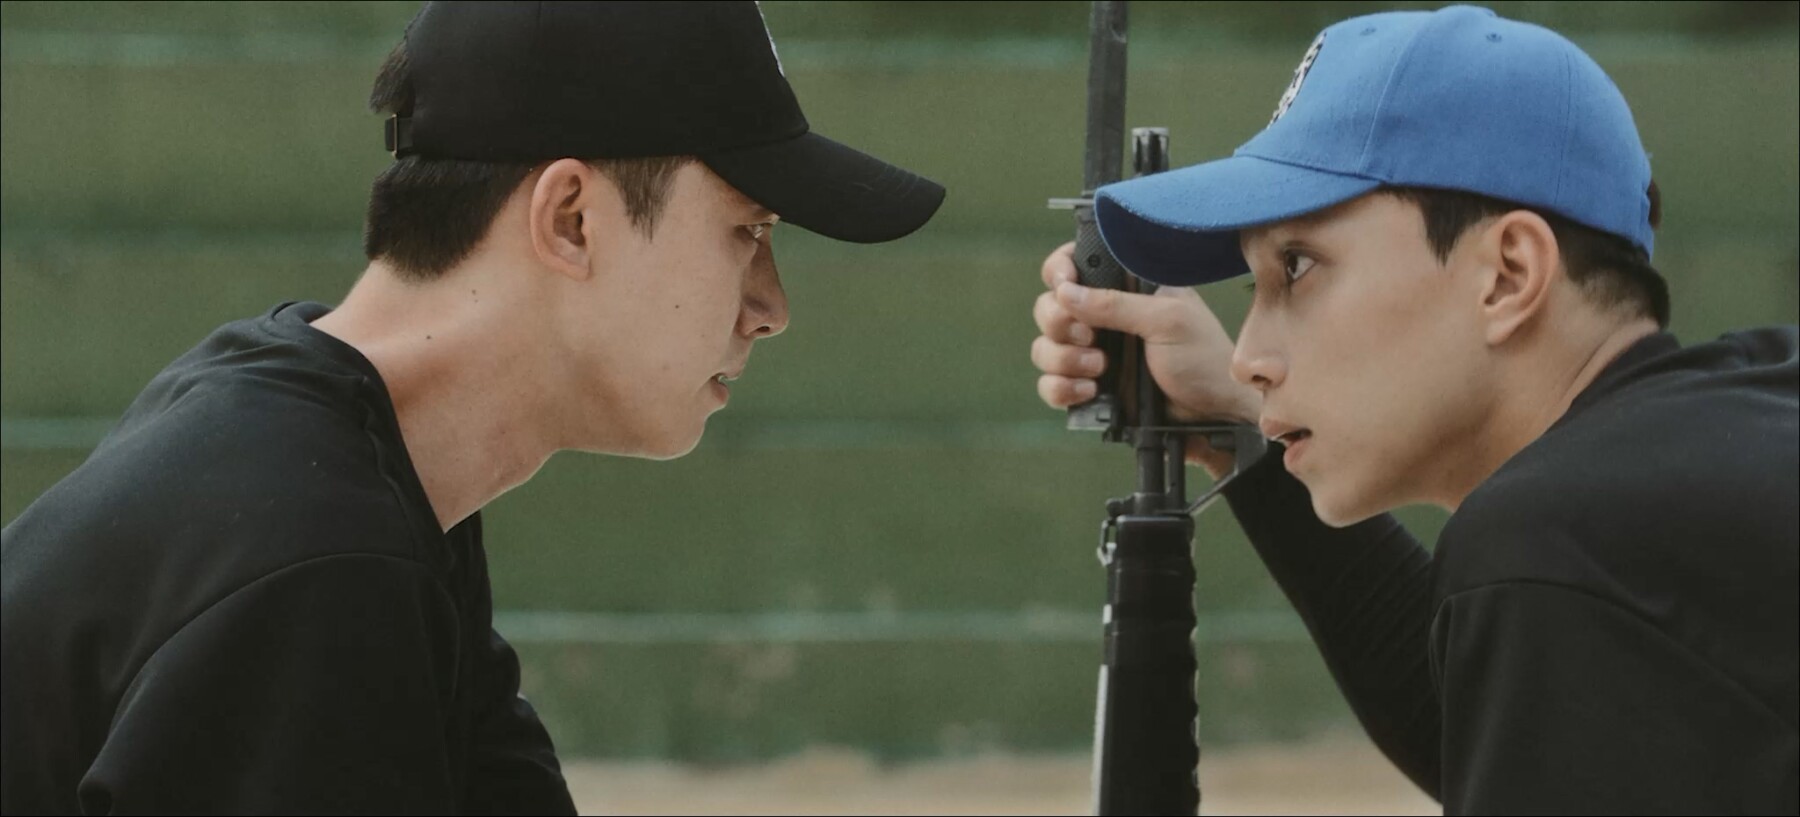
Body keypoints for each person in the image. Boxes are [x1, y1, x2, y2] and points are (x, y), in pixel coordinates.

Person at [0, 2, 944, 813]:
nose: (771, 306)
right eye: (748, 228)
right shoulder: (315, 562)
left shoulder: (339, 452)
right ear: (571, 219)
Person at [1030, 6, 1796, 813]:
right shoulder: (1741, 421)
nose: (1247, 355)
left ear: (1508, 274)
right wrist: (1234, 417)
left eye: (1297, 267)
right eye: (1256, 284)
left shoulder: (1555, 539)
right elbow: (1498, 729)